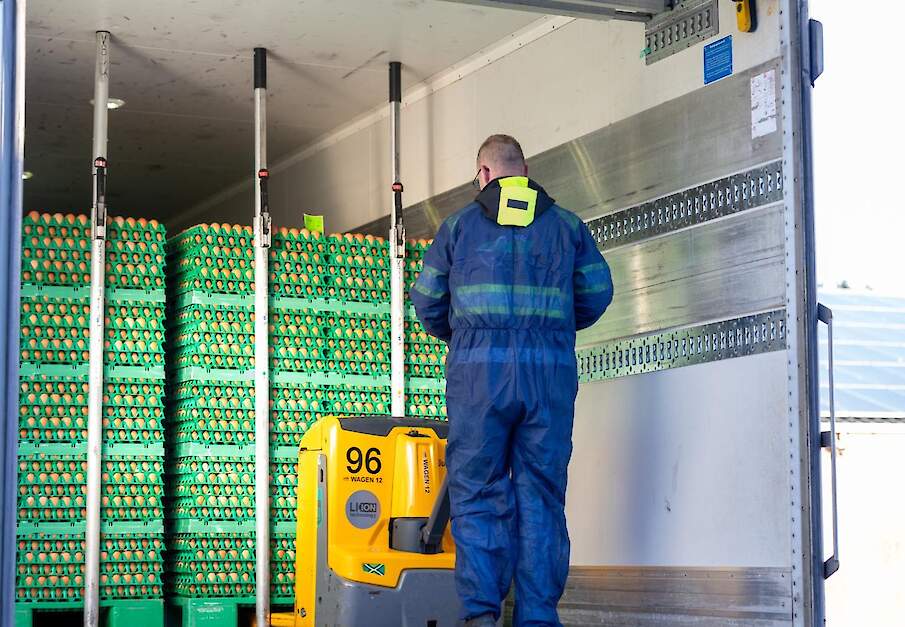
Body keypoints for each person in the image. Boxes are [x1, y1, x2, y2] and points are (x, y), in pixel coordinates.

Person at [410, 134, 613, 627]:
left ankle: (482, 618)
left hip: (479, 380)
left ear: (483, 174)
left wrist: (465, 336)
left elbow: (427, 301)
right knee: (541, 497)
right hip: (549, 380)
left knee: (478, 494)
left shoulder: (458, 227)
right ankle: (538, 618)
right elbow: (597, 292)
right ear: (524, 170)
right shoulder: (567, 227)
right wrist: (551, 328)